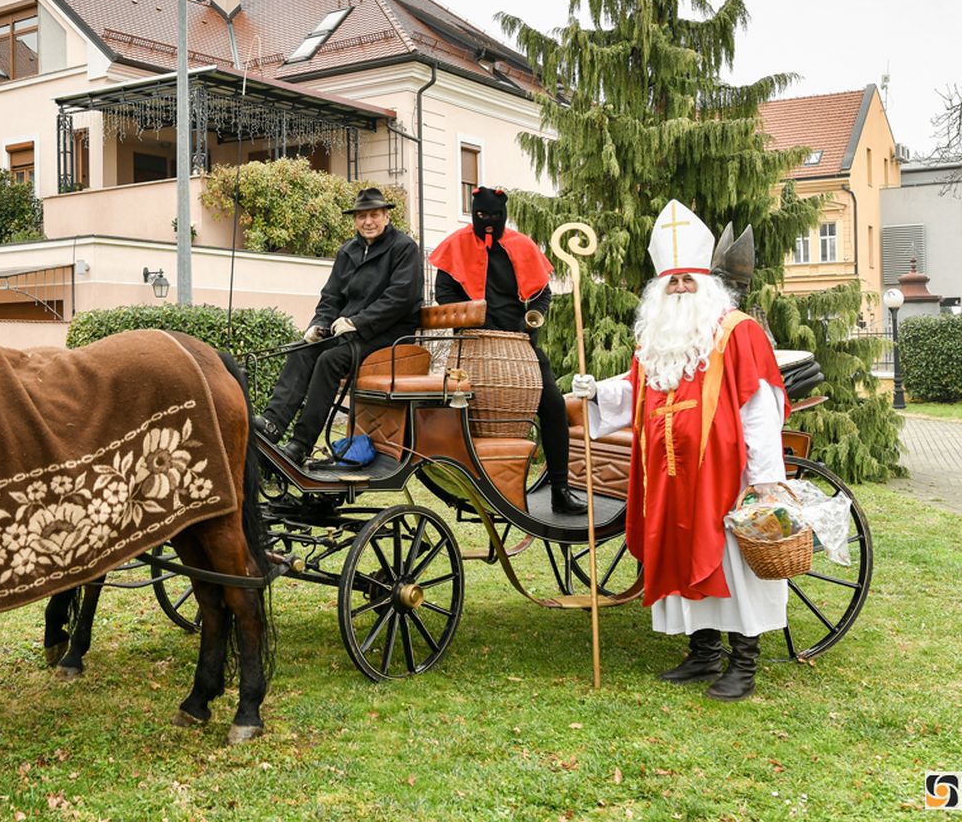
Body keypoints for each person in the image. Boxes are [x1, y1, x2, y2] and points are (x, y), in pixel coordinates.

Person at [570, 199, 789, 701]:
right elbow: (640, 389)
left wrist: (763, 482)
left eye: (689, 279)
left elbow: (760, 405)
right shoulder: (657, 342)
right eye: (673, 281)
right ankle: (702, 652)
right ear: (659, 289)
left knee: (735, 564)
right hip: (669, 476)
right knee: (682, 555)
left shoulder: (738, 332)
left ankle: (744, 662)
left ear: (706, 284)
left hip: (726, 477)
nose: (681, 287)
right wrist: (596, 392)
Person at [430, 186, 586, 516]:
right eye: (480, 216)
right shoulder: (456, 245)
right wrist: (468, 318)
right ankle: (469, 481)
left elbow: (543, 293)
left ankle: (560, 488)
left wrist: (531, 325)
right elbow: (443, 292)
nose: (486, 222)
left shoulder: (521, 245)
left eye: (493, 217)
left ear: (504, 216)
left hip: (519, 346)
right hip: (472, 346)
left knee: (554, 405)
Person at [253, 187, 422, 466]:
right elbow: (331, 297)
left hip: (389, 336)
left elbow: (399, 299)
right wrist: (318, 324)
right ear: (355, 220)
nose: (368, 221)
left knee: (330, 360)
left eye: (374, 215)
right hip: (349, 334)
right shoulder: (348, 250)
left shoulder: (404, 248)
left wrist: (357, 321)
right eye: (362, 216)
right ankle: (272, 425)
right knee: (302, 350)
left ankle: (300, 444)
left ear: (386, 217)